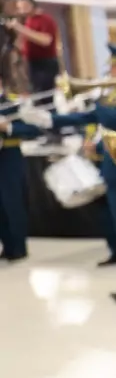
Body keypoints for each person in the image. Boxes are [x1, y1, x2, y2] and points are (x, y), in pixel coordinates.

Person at [24, 46, 116, 300]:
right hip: (113, 170)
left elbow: (114, 121)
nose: (111, 72)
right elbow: (88, 116)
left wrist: (101, 100)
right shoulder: (112, 97)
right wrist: (49, 120)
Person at [0, 96, 43, 261]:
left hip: (9, 156)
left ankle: (19, 247)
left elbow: (33, 129)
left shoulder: (13, 103)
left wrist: (8, 127)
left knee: (13, 202)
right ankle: (7, 245)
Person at [6, 0, 59, 94]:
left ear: (30, 6)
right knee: (35, 93)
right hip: (32, 63)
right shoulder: (29, 21)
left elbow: (46, 41)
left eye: (22, 7)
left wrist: (20, 28)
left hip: (45, 63)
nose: (20, 11)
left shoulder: (45, 19)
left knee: (44, 95)